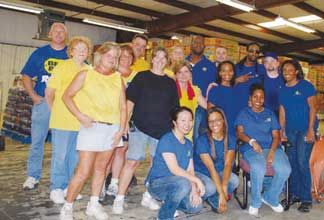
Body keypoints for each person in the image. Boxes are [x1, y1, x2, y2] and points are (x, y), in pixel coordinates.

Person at [60, 42, 127, 220]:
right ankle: (67, 206)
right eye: (109, 55)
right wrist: (80, 116)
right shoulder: (85, 74)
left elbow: (122, 106)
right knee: (83, 171)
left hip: (111, 129)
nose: (112, 59)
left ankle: (93, 204)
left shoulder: (118, 78)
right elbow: (66, 96)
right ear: (100, 55)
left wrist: (121, 130)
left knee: (101, 169)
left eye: (115, 57)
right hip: (91, 128)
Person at [112, 47, 179, 215]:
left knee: (156, 166)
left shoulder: (171, 82)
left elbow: (175, 109)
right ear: (152, 59)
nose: (160, 60)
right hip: (140, 128)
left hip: (162, 131)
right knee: (132, 161)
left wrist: (175, 131)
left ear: (167, 61)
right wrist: (125, 122)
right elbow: (130, 102)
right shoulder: (141, 77)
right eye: (157, 57)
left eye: (164, 58)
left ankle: (148, 196)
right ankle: (119, 198)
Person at [147, 106, 217, 220]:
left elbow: (190, 170)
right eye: (183, 120)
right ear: (174, 122)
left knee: (207, 191)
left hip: (181, 180)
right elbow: (174, 169)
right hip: (159, 183)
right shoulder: (167, 140)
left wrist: (194, 190)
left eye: (190, 120)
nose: (187, 124)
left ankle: (172, 201)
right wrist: (196, 180)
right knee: (184, 183)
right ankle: (164, 216)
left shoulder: (188, 143)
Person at [45, 36, 92, 204]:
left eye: (84, 49)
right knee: (60, 155)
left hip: (81, 122)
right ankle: (57, 187)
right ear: (71, 51)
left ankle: (68, 187)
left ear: (88, 53)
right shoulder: (62, 66)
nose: (81, 52)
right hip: (62, 121)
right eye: (78, 49)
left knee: (74, 157)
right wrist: (55, 112)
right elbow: (49, 93)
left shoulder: (90, 70)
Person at [22, 22, 68, 190]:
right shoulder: (39, 53)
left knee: (60, 146)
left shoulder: (71, 54)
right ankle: (33, 176)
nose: (58, 33)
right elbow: (26, 75)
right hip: (42, 104)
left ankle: (58, 181)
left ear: (66, 35)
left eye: (62, 31)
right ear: (49, 34)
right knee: (37, 142)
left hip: (63, 107)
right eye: (55, 30)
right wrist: (33, 96)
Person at [235, 83, 291, 217]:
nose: (258, 100)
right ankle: (255, 202)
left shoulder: (270, 113)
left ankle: (270, 197)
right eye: (255, 97)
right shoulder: (243, 113)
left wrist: (272, 152)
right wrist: (252, 141)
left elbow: (276, 136)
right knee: (259, 167)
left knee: (285, 169)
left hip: (271, 148)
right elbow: (239, 133)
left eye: (261, 97)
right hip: (251, 149)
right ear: (250, 98)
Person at [279, 59, 318, 213]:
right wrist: (282, 130)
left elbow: (313, 108)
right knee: (292, 163)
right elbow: (282, 111)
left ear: (296, 71)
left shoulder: (306, 86)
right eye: (284, 70)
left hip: (304, 131)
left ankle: (306, 199)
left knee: (302, 162)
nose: (286, 72)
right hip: (290, 131)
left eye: (290, 69)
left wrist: (310, 130)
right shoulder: (282, 89)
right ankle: (294, 194)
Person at [103, 44, 137, 198]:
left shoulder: (137, 75)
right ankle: (102, 183)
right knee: (107, 152)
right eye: (122, 56)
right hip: (109, 119)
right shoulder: (110, 73)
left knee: (122, 151)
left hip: (128, 120)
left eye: (129, 56)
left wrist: (127, 122)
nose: (126, 59)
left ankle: (114, 183)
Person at [194, 107, 239, 213]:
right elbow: (211, 168)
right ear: (208, 124)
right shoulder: (202, 140)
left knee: (235, 180)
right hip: (202, 172)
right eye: (211, 121)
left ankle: (215, 197)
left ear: (223, 120)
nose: (214, 123)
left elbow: (228, 165)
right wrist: (223, 195)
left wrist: (223, 189)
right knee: (210, 187)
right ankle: (212, 195)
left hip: (218, 171)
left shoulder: (231, 138)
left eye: (217, 119)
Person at [186, 35, 217, 142]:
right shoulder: (182, 63)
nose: (198, 45)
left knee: (199, 138)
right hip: (184, 105)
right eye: (195, 42)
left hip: (202, 108)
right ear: (191, 45)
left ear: (205, 46)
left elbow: (214, 87)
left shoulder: (210, 66)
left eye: (201, 43)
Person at [174, 61, 207, 140]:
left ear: (190, 74)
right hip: (174, 129)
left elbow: (207, 106)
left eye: (186, 71)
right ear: (175, 75)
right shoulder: (171, 89)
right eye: (180, 72)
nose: (183, 75)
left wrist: (211, 89)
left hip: (188, 130)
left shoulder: (195, 90)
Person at [208, 61, 237, 136]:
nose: (227, 73)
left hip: (235, 131)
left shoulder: (238, 90)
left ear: (233, 72)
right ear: (219, 73)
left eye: (230, 70)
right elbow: (210, 113)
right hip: (220, 131)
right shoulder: (215, 90)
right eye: (223, 71)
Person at [235, 42, 266, 113]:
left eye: (257, 52)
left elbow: (264, 89)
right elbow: (227, 86)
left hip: (254, 109)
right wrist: (237, 80)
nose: (254, 54)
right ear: (246, 52)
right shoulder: (236, 68)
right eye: (251, 51)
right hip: (236, 107)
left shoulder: (261, 69)